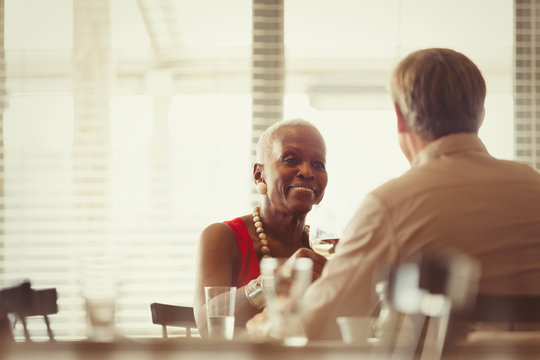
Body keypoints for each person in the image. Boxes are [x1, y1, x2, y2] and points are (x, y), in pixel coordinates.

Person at [247, 48, 540, 340]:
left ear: (400, 117)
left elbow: (317, 324)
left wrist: (261, 324)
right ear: (481, 114)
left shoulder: (392, 204)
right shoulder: (534, 185)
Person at [194, 118, 328, 336]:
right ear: (259, 174)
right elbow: (207, 324)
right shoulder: (222, 236)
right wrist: (274, 281)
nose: (307, 172)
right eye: (291, 159)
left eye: (318, 164)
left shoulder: (323, 247)